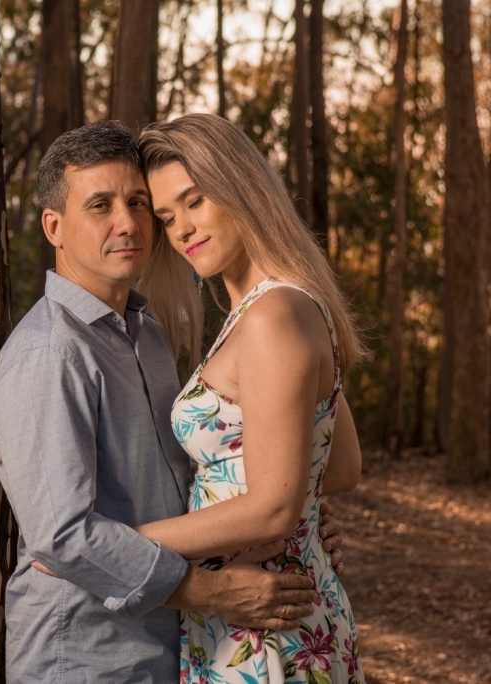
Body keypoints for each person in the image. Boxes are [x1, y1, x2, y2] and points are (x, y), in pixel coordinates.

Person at [0, 120, 344, 683]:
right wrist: (212, 590)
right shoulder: (48, 352)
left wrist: (291, 527)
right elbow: (64, 538)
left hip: (176, 642)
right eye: (100, 205)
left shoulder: (147, 335)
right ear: (54, 227)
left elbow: (216, 475)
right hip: (88, 655)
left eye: (138, 204)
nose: (128, 223)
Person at [138, 113, 364, 683]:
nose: (182, 228)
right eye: (167, 217)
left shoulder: (272, 316)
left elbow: (271, 507)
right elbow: (338, 468)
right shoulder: (272, 306)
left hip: (269, 636)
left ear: (239, 186)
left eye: (195, 201)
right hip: (252, 614)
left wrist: (117, 547)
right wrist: (304, 514)